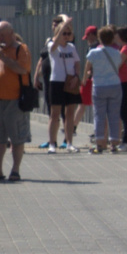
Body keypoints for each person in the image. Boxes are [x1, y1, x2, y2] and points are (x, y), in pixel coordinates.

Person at [0, 21, 32, 181]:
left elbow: (23, 69)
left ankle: (15, 170)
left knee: (17, 137)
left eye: (2, 35)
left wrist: (4, 57)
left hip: (14, 101)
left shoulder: (21, 49)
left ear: (11, 33)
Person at [83, 26, 123, 153]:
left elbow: (87, 67)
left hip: (99, 85)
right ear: (112, 39)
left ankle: (100, 143)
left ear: (99, 39)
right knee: (114, 114)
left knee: (99, 115)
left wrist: (84, 80)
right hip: (115, 85)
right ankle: (114, 143)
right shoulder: (117, 53)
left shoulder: (93, 53)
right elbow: (118, 66)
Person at [34, 14, 70, 149]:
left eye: (58, 25)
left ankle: (67, 138)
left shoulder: (66, 39)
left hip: (62, 79)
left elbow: (67, 23)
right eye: (53, 25)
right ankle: (51, 140)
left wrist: (62, 16)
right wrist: (36, 76)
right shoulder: (49, 41)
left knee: (64, 110)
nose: (55, 27)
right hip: (49, 78)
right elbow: (42, 58)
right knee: (51, 108)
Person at [46, 17, 82, 153]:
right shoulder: (52, 45)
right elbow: (54, 44)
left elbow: (77, 63)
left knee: (70, 113)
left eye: (68, 33)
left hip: (70, 81)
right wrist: (64, 25)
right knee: (54, 114)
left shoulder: (71, 47)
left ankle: (69, 143)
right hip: (57, 81)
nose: (66, 36)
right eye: (64, 33)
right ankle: (52, 144)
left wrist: (77, 76)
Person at [74, 25, 99, 140]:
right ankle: (73, 126)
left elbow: (88, 65)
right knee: (84, 103)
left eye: (88, 36)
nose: (87, 40)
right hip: (91, 78)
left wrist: (83, 79)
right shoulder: (92, 46)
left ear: (93, 35)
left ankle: (97, 130)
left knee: (93, 105)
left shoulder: (95, 47)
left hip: (92, 79)